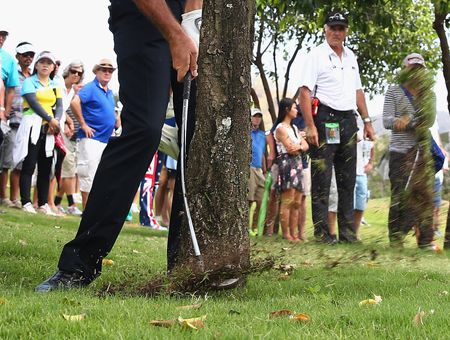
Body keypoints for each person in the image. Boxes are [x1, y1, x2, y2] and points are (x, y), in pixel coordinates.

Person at [36, 0, 201, 292]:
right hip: (143, 17)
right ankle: (80, 262)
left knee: (198, 138)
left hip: (190, 19)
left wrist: (190, 20)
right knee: (145, 130)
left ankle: (185, 269)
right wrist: (175, 34)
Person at [299, 10, 375, 244]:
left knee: (348, 179)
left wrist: (367, 120)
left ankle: (348, 233)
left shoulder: (351, 57)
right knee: (322, 176)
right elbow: (304, 91)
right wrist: (310, 126)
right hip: (325, 118)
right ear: (325, 30)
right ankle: (323, 233)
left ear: (346, 32)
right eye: (333, 28)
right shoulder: (316, 55)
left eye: (341, 28)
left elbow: (358, 91)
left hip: (348, 120)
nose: (336, 32)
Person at [383, 52, 436, 249]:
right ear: (405, 69)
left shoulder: (429, 94)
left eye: (419, 69)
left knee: (424, 196)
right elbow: (386, 120)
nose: (415, 72)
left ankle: (425, 240)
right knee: (399, 194)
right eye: (412, 68)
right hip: (400, 152)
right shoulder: (394, 91)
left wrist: (410, 121)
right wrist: (399, 121)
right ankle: (396, 239)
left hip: (422, 152)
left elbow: (428, 121)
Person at [13, 51, 62, 215]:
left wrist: (56, 121)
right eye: (42, 62)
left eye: (49, 62)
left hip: (48, 128)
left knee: (46, 167)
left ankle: (42, 204)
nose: (45, 65)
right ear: (37, 65)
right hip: (32, 125)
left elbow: (60, 106)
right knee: (29, 164)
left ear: (53, 67)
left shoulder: (55, 85)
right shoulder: (29, 82)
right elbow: (33, 102)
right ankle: (26, 201)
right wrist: (51, 119)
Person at [71, 58, 116, 210]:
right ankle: (86, 210)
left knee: (99, 175)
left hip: (105, 139)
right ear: (96, 71)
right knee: (88, 173)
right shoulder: (91, 88)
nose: (107, 73)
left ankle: (94, 209)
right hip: (91, 138)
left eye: (110, 71)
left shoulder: (109, 92)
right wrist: (83, 124)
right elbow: (75, 102)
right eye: (103, 70)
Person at [0, 42, 35, 209]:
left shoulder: (34, 77)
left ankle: (15, 198)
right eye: (25, 54)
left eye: (31, 55)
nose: (28, 57)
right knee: (6, 160)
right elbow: (8, 92)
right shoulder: (12, 70)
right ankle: (3, 196)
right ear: (17, 56)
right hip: (12, 120)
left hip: (27, 124)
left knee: (20, 162)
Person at [273, 98, 308, 241]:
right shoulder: (280, 128)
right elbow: (290, 148)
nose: (297, 110)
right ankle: (286, 234)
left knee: (297, 202)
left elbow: (305, 146)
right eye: (294, 107)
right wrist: (300, 144)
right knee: (288, 200)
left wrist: (299, 145)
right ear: (287, 109)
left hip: (298, 164)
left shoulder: (294, 128)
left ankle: (294, 234)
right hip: (287, 163)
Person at [53, 61, 85, 215]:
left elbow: (63, 109)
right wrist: (67, 123)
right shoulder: (58, 84)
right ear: (68, 71)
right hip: (53, 129)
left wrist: (68, 121)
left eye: (79, 73)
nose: (76, 75)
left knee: (65, 169)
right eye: (74, 71)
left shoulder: (71, 91)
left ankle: (56, 202)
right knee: (65, 170)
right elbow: (55, 106)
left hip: (65, 133)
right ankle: (69, 204)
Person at [248, 107, 266, 233]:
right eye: (255, 116)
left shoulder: (262, 135)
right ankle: (245, 228)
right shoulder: (245, 133)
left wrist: (264, 169)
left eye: (259, 116)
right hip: (249, 168)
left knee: (261, 200)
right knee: (248, 200)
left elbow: (263, 153)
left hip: (259, 169)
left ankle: (254, 228)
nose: (257, 119)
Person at [354, 129, 374, 238]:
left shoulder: (365, 130)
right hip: (349, 172)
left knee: (360, 204)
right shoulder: (346, 126)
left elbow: (372, 146)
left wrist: (370, 163)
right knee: (349, 204)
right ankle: (347, 232)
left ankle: (355, 232)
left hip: (362, 173)